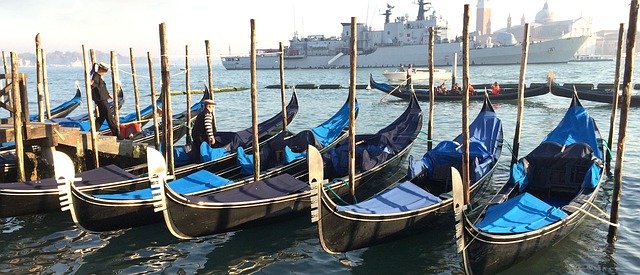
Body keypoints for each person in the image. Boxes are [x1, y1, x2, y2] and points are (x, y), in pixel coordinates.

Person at [90, 62, 120, 137]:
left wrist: (108, 95)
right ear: (103, 70)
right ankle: (117, 134)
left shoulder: (98, 77)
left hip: (102, 98)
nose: (105, 73)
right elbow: (92, 84)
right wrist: (90, 83)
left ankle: (92, 131)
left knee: (102, 117)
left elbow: (101, 88)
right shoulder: (96, 76)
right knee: (109, 117)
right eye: (106, 71)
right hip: (101, 100)